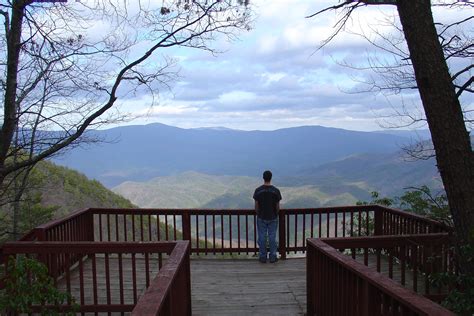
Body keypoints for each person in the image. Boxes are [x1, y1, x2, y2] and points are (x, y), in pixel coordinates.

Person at [253, 170, 282, 263]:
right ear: (271, 178)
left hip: (261, 217)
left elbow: (256, 206)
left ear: (263, 178)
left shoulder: (258, 191)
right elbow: (277, 207)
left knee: (262, 237)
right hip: (273, 217)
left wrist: (258, 214)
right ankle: (273, 257)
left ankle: (262, 257)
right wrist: (275, 214)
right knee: (272, 237)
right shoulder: (276, 191)